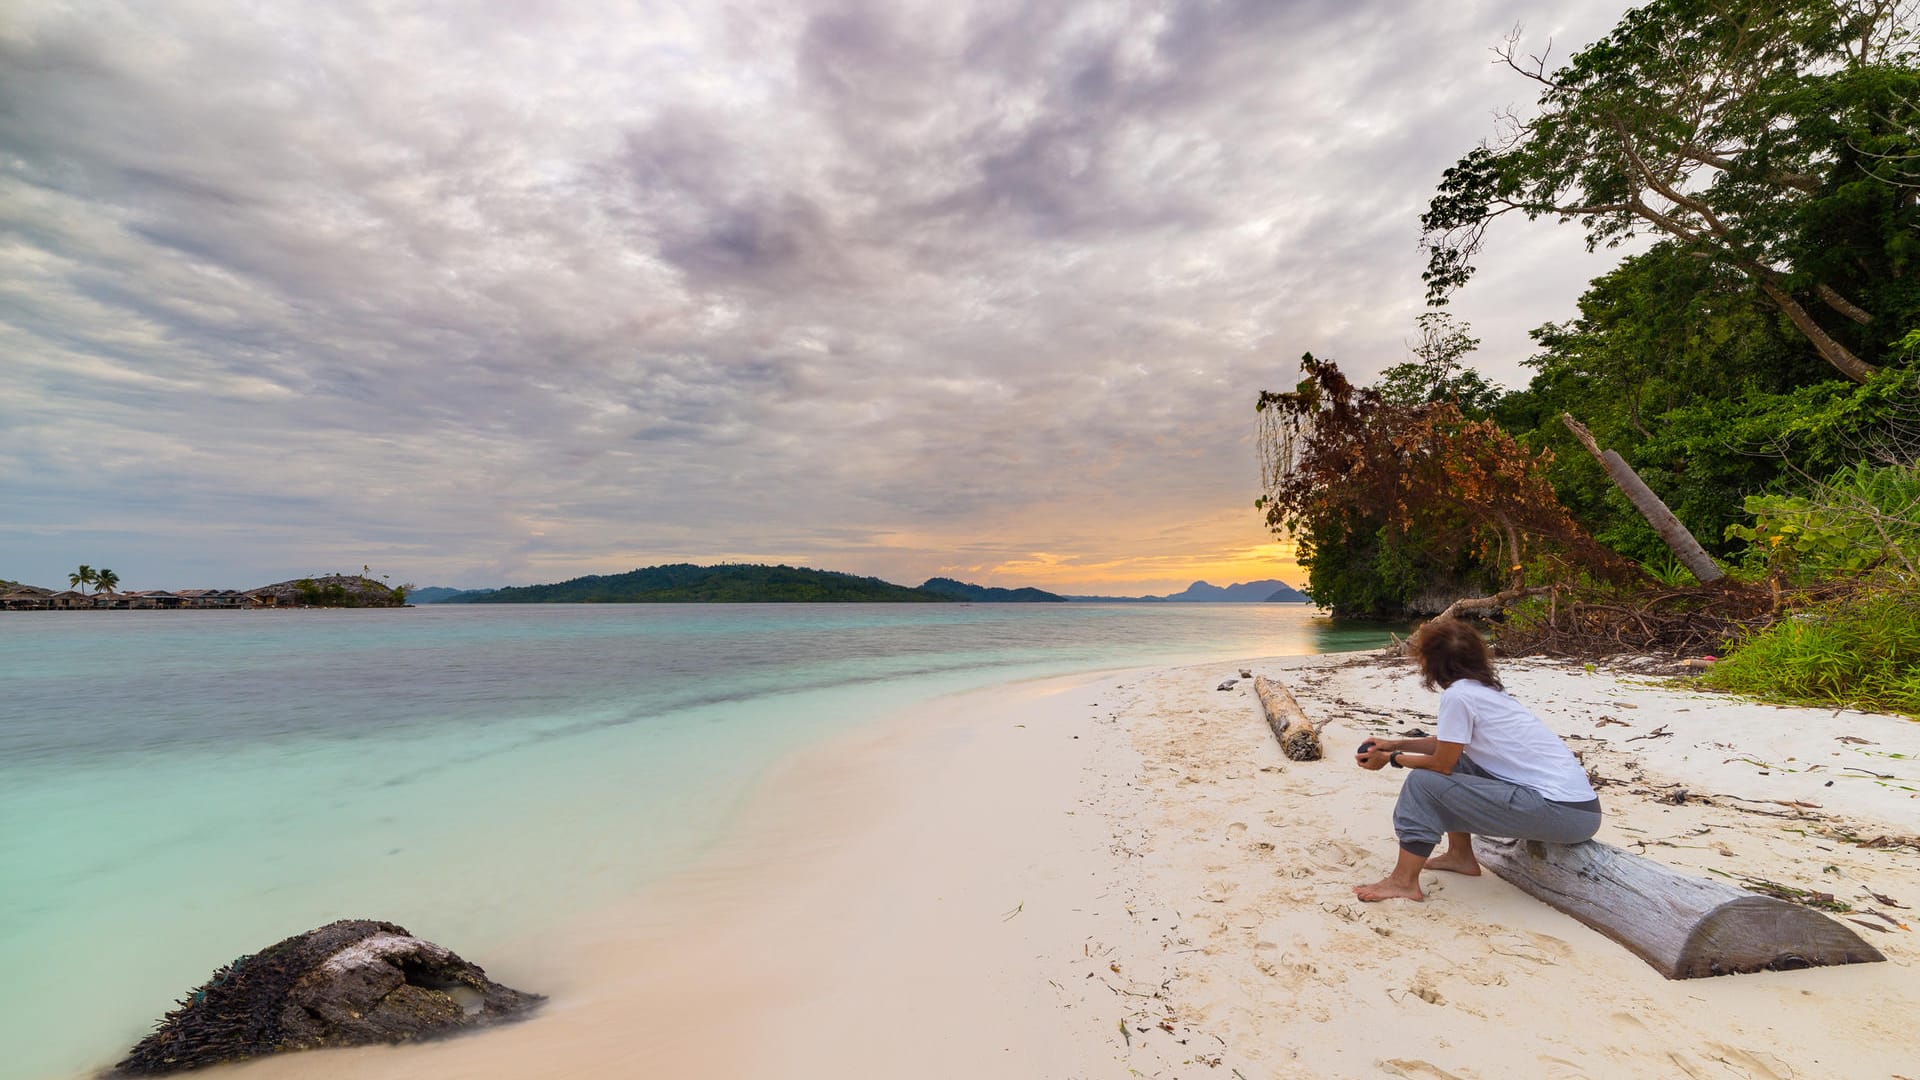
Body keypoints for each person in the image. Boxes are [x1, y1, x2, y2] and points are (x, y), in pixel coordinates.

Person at [1352, 618, 1601, 902]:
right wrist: (1394, 742)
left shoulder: (1459, 696)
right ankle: (1460, 856)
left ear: (1433, 662)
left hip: (1563, 813)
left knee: (1423, 783)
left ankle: (1403, 881)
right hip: (1579, 809)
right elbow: (1449, 746)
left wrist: (1392, 758)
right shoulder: (1484, 690)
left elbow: (1440, 763)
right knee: (1458, 764)